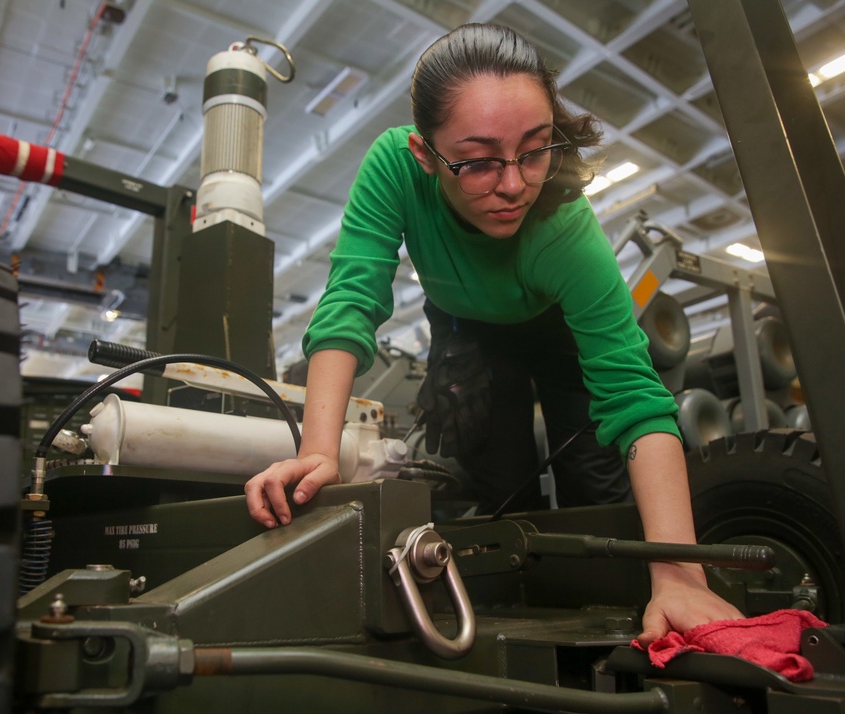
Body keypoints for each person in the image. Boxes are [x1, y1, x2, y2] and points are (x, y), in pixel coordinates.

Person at [245, 22, 742, 646]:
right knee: (498, 475)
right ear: (426, 155)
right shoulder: (396, 169)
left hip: (554, 328)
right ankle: (521, 603)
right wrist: (317, 454)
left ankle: (624, 601)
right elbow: (351, 301)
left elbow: (637, 398)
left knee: (595, 472)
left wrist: (682, 576)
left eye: (534, 150)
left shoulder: (563, 226)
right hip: (466, 327)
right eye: (478, 162)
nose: (513, 187)